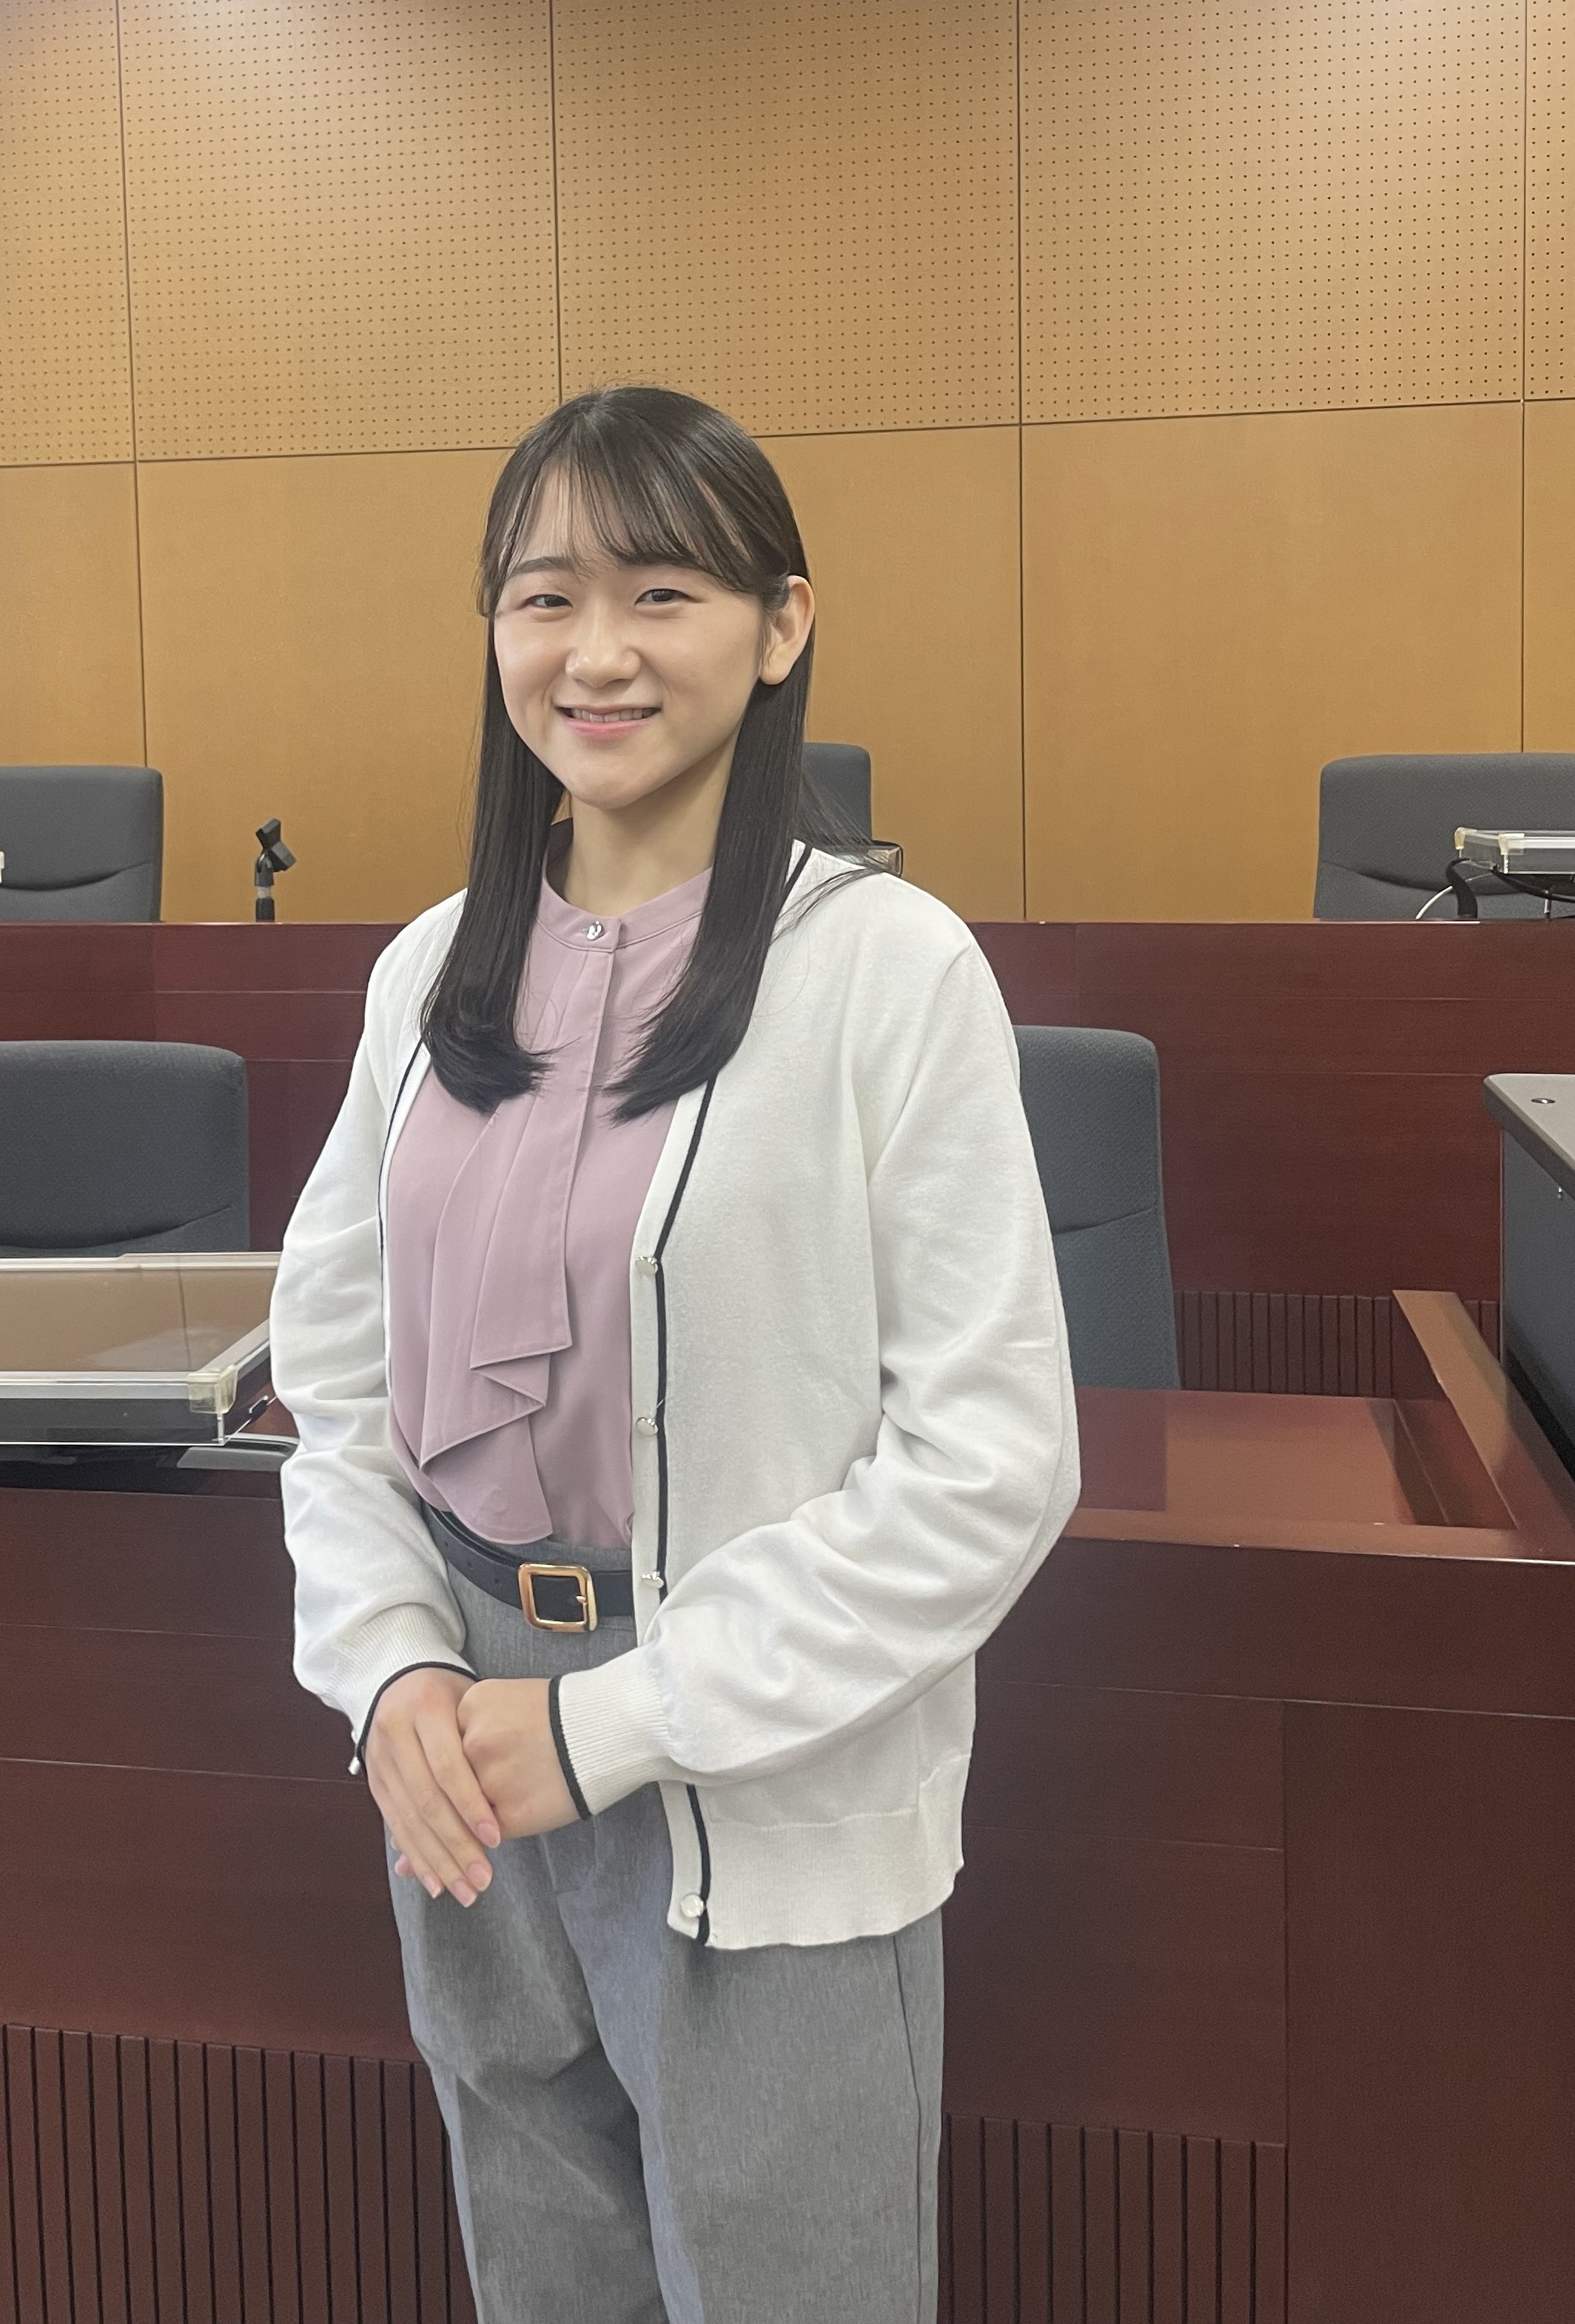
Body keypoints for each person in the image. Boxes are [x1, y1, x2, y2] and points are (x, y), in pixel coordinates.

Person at [269, 385, 1079, 2324]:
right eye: (544, 597)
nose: (597, 651)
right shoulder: (429, 972)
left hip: (749, 1749)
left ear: (782, 625)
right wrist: (389, 1670)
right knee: (543, 2281)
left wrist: (609, 1725)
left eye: (662, 593)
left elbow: (990, 1465)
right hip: (462, 1757)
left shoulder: (888, 973)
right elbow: (339, 1387)